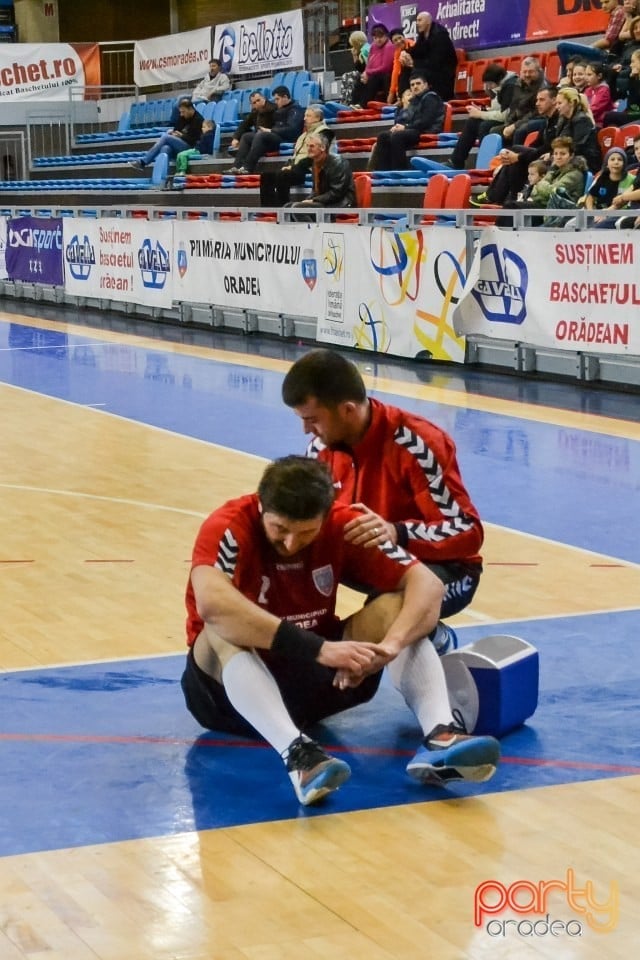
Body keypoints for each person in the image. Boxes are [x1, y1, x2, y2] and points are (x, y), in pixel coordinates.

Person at [182, 456, 501, 805]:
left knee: (396, 607)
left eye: (305, 532)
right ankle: (299, 757)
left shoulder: (345, 523)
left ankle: (440, 737)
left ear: (327, 514)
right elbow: (212, 605)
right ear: (261, 507)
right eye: (280, 530)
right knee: (220, 629)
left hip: (325, 681)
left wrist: (390, 648)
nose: (291, 543)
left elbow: (428, 587)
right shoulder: (228, 527)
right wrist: (318, 649)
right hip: (225, 698)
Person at [281, 349, 484, 657]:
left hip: (446, 570)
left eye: (312, 419)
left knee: (388, 612)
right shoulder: (321, 449)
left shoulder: (417, 444)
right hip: (374, 565)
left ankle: (433, 639)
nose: (306, 430)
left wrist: (396, 533)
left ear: (347, 410)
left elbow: (468, 532)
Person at [470, 86, 560, 206]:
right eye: (537, 100)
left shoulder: (559, 121)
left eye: (542, 100)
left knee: (516, 154)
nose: (537, 103)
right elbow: (536, 144)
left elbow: (544, 149)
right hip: (541, 156)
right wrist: (515, 157)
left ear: (554, 100)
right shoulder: (547, 120)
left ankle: (495, 197)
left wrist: (518, 156)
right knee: (513, 156)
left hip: (551, 159)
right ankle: (502, 198)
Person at [447, 63, 519, 170]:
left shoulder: (510, 86)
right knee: (472, 122)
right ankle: (456, 161)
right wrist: (483, 110)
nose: (488, 87)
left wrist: (480, 114)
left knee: (484, 126)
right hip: (504, 119)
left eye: (489, 84)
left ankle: (486, 164)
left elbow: (505, 115)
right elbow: (498, 109)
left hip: (513, 122)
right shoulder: (501, 86)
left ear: (497, 80)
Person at [368, 71, 445, 170]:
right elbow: (409, 119)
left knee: (397, 136)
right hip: (414, 129)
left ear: (425, 85)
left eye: (418, 83)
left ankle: (400, 170)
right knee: (383, 136)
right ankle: (385, 172)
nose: (415, 87)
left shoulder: (431, 98)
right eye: (412, 85)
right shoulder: (414, 101)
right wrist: (398, 127)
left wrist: (405, 127)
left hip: (427, 130)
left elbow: (426, 121)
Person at [259, 104, 329, 207]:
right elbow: (296, 155)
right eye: (305, 115)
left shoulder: (324, 132)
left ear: (318, 118)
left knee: (283, 176)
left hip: (312, 167)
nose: (304, 118)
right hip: (297, 167)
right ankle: (269, 209)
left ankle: (283, 209)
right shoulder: (303, 135)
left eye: (308, 116)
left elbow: (317, 155)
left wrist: (294, 167)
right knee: (266, 176)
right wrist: (289, 164)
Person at [229, 86, 304, 174]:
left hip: (285, 138)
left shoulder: (295, 109)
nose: (275, 102)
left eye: (277, 99)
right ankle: (236, 166)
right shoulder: (280, 108)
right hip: (275, 135)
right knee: (246, 136)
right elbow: (244, 124)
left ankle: (247, 167)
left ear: (285, 97)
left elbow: (292, 129)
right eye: (275, 99)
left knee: (261, 135)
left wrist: (271, 131)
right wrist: (236, 137)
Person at [286, 132, 355, 214]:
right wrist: (307, 200)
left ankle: (312, 227)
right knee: (287, 207)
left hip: (341, 203)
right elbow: (315, 191)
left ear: (322, 147)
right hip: (325, 201)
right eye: (307, 146)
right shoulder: (315, 163)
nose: (308, 149)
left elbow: (337, 193)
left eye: (312, 146)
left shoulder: (338, 163)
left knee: (298, 209)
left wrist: (314, 200)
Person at [129, 98, 203, 171]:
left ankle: (143, 162)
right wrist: (173, 133)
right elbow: (176, 129)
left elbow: (193, 140)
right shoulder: (183, 117)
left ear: (190, 109)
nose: (181, 114)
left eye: (183, 112)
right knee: (165, 148)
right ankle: (164, 177)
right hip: (180, 144)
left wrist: (181, 136)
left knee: (165, 137)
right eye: (180, 112)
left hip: (191, 148)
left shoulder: (198, 120)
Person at [400, 10, 457, 101]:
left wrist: (414, 63)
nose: (417, 23)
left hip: (442, 72)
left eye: (420, 20)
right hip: (428, 67)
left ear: (428, 21)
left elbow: (436, 62)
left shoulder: (440, 35)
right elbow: (416, 51)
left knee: (416, 70)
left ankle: (418, 99)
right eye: (416, 20)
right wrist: (405, 53)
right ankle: (404, 98)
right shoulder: (423, 35)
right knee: (405, 68)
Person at [557, 0, 626, 70]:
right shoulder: (615, 13)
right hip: (608, 53)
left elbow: (607, 41)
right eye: (602, 3)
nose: (603, 6)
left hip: (608, 56)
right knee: (571, 56)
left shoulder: (619, 12)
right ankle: (568, 76)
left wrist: (588, 48)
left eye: (607, 2)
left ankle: (567, 77)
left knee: (562, 46)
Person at [582, 145, 635, 225]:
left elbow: (624, 203)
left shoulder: (632, 179)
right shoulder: (602, 177)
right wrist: (591, 213)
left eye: (620, 159)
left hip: (618, 214)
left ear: (624, 164)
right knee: (571, 225)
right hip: (598, 212)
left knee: (594, 227)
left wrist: (605, 213)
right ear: (607, 163)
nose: (616, 162)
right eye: (612, 159)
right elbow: (590, 196)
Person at [351, 23, 395, 107]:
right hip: (374, 75)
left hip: (385, 76)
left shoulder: (389, 46)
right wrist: (365, 73)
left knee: (373, 79)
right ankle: (353, 104)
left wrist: (368, 73)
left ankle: (363, 105)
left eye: (380, 37)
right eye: (375, 38)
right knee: (359, 79)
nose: (378, 40)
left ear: (386, 36)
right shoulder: (373, 46)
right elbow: (369, 63)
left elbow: (385, 67)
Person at [228, 90, 276, 160]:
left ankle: (242, 158)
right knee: (244, 132)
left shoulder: (274, 108)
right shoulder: (255, 112)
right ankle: (239, 159)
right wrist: (236, 138)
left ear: (264, 98)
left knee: (246, 137)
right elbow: (244, 124)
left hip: (270, 137)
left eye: (258, 100)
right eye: (254, 103)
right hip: (257, 137)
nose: (257, 103)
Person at [605, 48, 640, 123]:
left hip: (637, 115)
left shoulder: (635, 80)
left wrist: (634, 81)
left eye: (633, 62)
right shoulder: (634, 78)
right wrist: (614, 75)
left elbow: (635, 102)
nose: (631, 65)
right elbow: (616, 96)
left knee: (609, 116)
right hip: (632, 113)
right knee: (609, 116)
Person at [341, 30, 370, 105]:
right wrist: (355, 55)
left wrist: (354, 55)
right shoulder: (363, 49)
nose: (352, 46)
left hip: (368, 73)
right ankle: (347, 100)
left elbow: (362, 68)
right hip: (364, 71)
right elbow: (360, 67)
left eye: (353, 44)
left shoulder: (365, 50)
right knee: (346, 76)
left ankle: (351, 102)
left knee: (351, 78)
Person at [387, 27, 414, 105]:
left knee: (404, 71)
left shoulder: (412, 45)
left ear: (404, 37)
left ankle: (401, 99)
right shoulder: (397, 52)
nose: (399, 41)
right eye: (395, 40)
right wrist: (392, 92)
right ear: (393, 43)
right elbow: (395, 72)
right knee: (396, 74)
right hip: (408, 74)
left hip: (418, 71)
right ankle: (400, 98)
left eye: (400, 38)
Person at [583, 62, 614, 126]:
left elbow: (595, 109)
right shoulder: (588, 90)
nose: (586, 78)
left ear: (599, 76)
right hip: (589, 120)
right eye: (585, 74)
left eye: (589, 75)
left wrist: (582, 114)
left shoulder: (604, 90)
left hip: (601, 123)